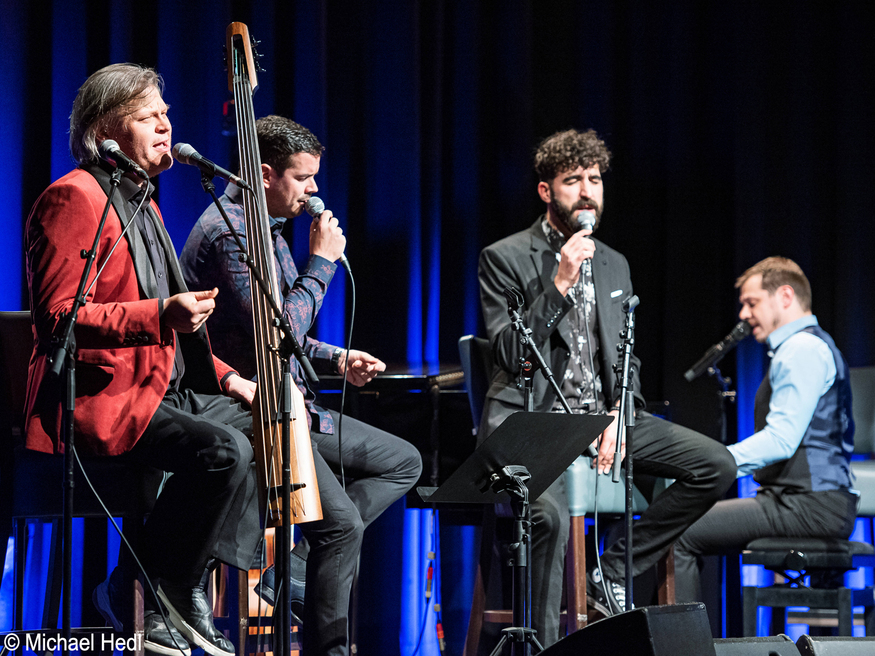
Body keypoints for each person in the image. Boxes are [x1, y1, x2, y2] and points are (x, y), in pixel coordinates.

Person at [24, 63, 262, 656]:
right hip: (103, 399)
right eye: (148, 116)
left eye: (166, 114)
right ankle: (150, 586)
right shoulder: (75, 197)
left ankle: (186, 583)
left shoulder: (142, 204)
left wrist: (229, 378)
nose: (166, 126)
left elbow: (174, 328)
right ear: (106, 130)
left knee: (272, 427)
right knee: (222, 451)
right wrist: (158, 315)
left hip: (160, 390)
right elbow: (58, 318)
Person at [477, 128, 737, 646]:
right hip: (538, 421)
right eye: (573, 180)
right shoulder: (505, 257)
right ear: (546, 191)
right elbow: (509, 354)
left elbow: (626, 354)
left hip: (605, 416)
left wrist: (621, 411)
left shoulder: (615, 262)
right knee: (549, 517)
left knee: (715, 465)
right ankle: (545, 647)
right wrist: (560, 283)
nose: (587, 191)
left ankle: (611, 570)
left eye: (594, 179)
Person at [180, 115, 422, 656]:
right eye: (303, 177)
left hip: (293, 407)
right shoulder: (232, 233)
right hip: (252, 412)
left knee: (403, 461)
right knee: (341, 528)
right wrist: (322, 263)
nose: (313, 191)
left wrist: (338, 358)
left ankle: (293, 571)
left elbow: (285, 337)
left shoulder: (267, 230)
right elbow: (277, 331)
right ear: (265, 174)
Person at [674, 257, 857, 602]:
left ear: (785, 296)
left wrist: (709, 465)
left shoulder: (801, 349)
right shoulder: (808, 346)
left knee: (677, 530)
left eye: (752, 302)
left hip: (809, 505)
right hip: (807, 502)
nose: (743, 314)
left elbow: (781, 440)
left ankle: (682, 636)